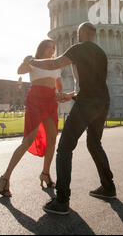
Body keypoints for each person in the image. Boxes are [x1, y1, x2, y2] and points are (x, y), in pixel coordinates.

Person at [25, 22, 115, 215]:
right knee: (94, 143)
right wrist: (72, 95)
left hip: (87, 103)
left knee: (65, 147)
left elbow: (54, 63)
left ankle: (62, 199)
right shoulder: (101, 53)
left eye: (77, 34)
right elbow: (93, 83)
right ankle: (108, 187)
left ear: (82, 33)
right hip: (103, 103)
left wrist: (32, 61)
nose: (76, 36)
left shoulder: (78, 48)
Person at [0, 39, 62, 197]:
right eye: (48, 48)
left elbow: (59, 83)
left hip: (51, 100)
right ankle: (5, 178)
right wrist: (26, 60)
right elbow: (20, 71)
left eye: (53, 48)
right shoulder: (34, 61)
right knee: (27, 140)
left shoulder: (56, 64)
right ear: (41, 49)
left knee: (53, 139)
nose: (51, 50)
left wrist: (61, 93)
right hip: (36, 100)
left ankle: (45, 174)